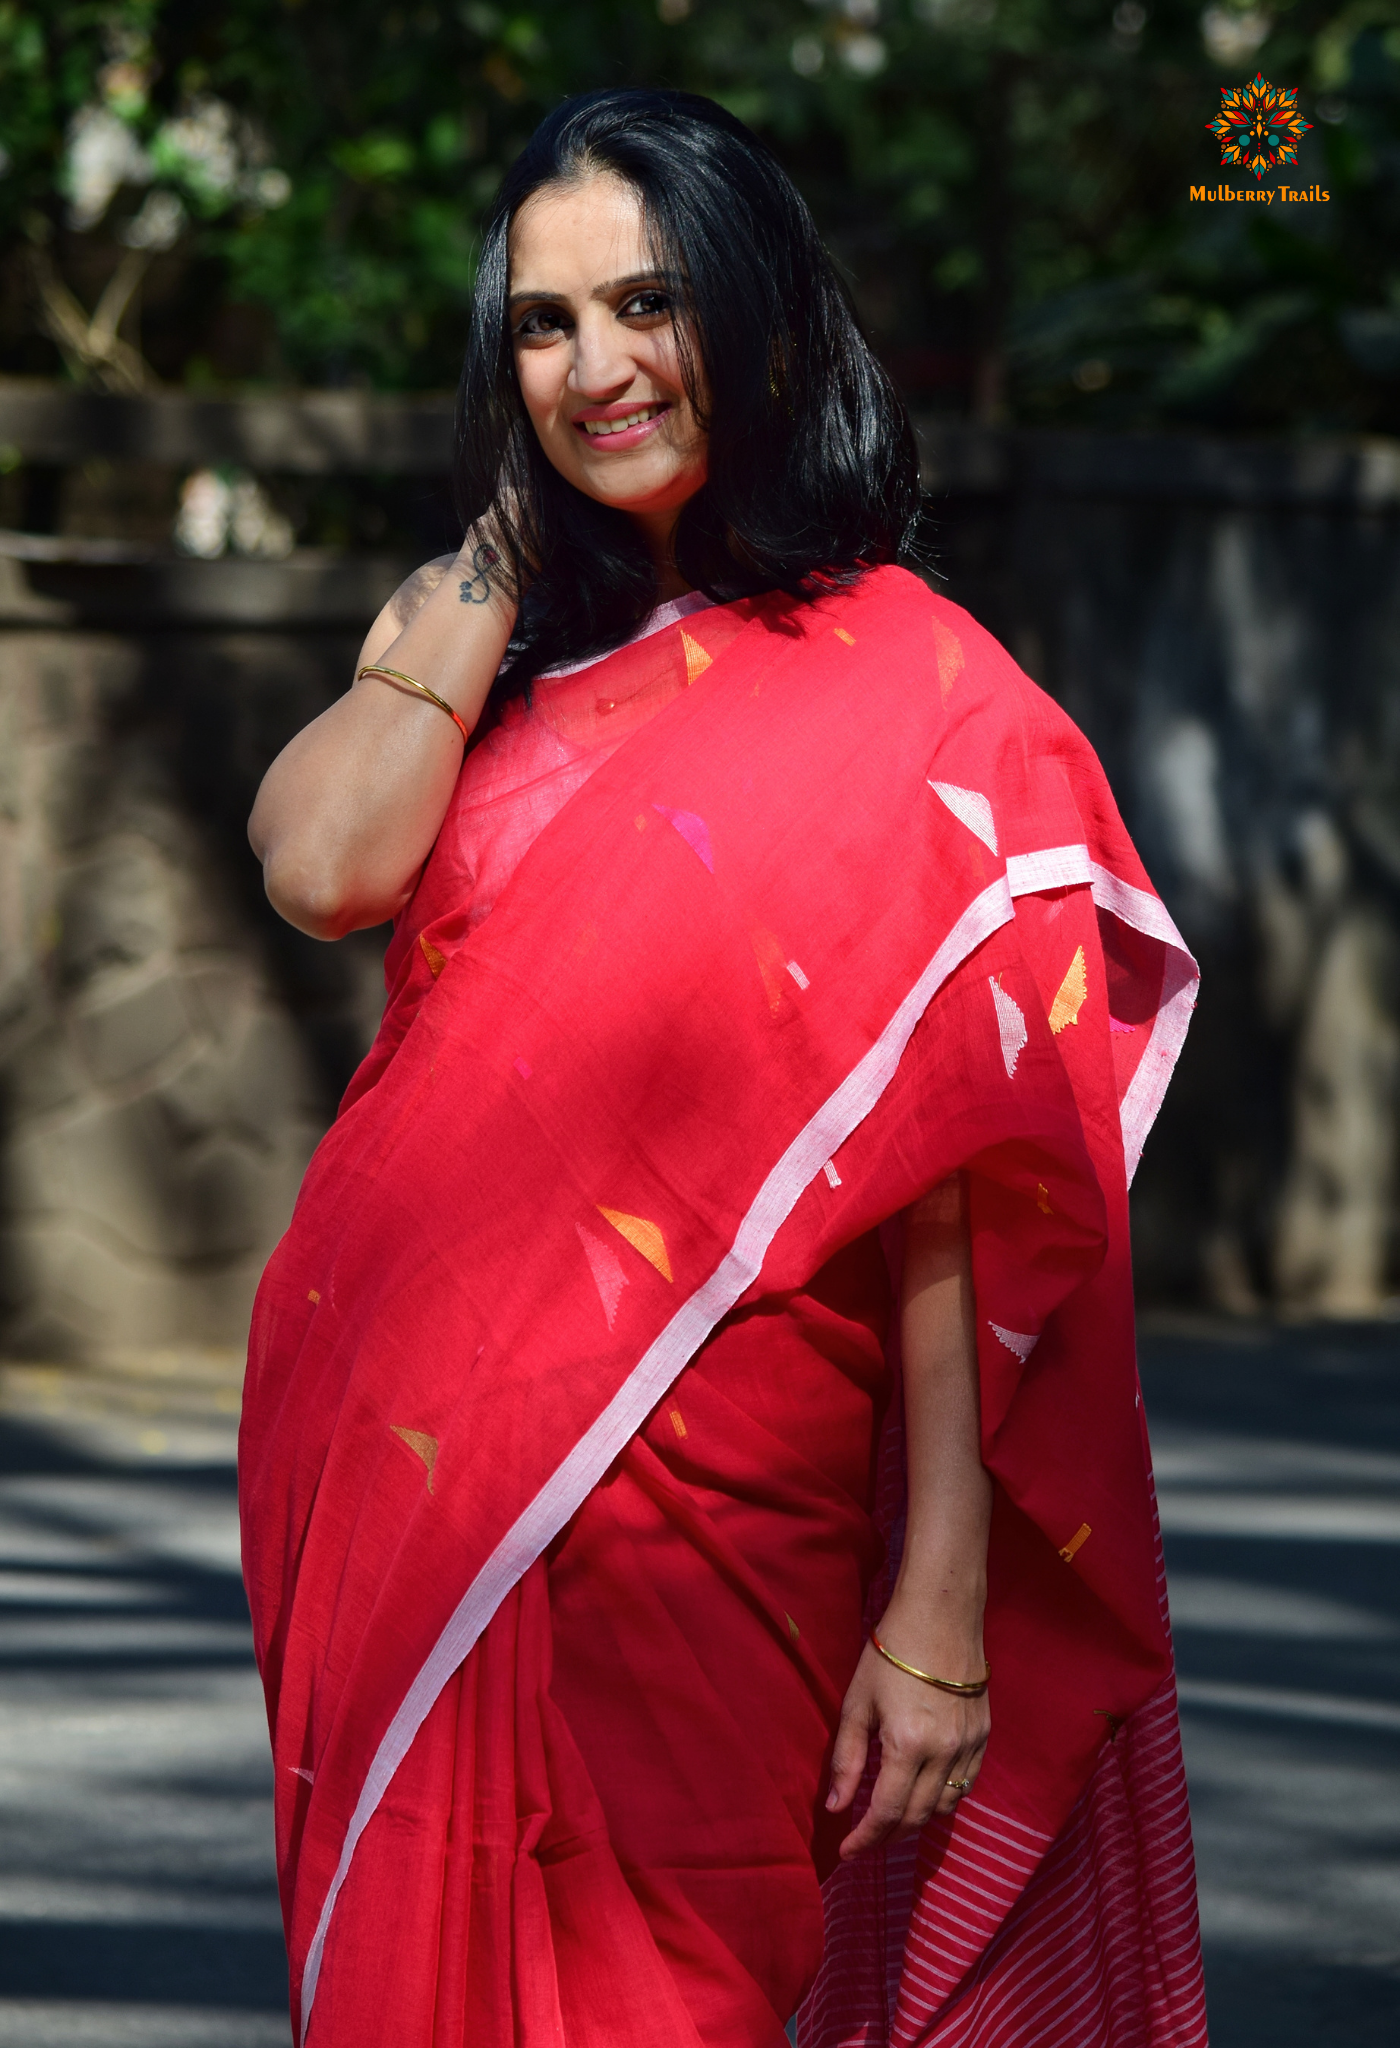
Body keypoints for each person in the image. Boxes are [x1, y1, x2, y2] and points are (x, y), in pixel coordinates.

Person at [241, 88, 1208, 2048]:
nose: (595, 366)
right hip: (392, 1477)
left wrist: (937, 1607)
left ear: (761, 319)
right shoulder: (482, 640)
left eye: (648, 304)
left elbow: (953, 1177)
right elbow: (325, 864)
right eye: (543, 320)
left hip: (711, 1502)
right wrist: (496, 572)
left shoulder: (917, 685)